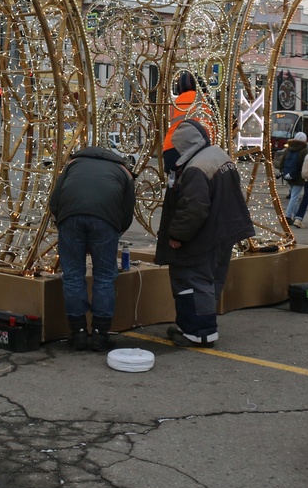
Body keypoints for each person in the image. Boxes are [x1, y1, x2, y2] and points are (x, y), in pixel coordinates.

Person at [154, 119, 254, 348]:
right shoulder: (217, 154)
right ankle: (193, 325)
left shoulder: (195, 169)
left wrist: (177, 235)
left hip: (204, 236)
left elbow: (194, 208)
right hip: (224, 230)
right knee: (209, 280)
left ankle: (200, 332)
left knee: (191, 281)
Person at [48, 145, 137, 351]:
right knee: (105, 275)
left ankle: (77, 333)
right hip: (106, 221)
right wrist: (116, 231)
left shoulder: (73, 164)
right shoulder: (123, 171)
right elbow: (127, 210)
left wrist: (61, 222)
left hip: (70, 218)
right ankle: (100, 334)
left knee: (72, 274)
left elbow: (55, 200)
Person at [162, 71, 217, 176]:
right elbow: (221, 121)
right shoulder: (206, 99)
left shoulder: (175, 102)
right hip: (194, 148)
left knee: (175, 186)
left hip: (170, 149)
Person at [279, 132, 308, 226]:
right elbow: (304, 164)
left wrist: (283, 171)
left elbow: (282, 162)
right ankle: (287, 216)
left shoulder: (288, 149)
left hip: (289, 176)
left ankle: (296, 215)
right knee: (295, 197)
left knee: (293, 196)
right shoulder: (304, 150)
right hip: (299, 177)